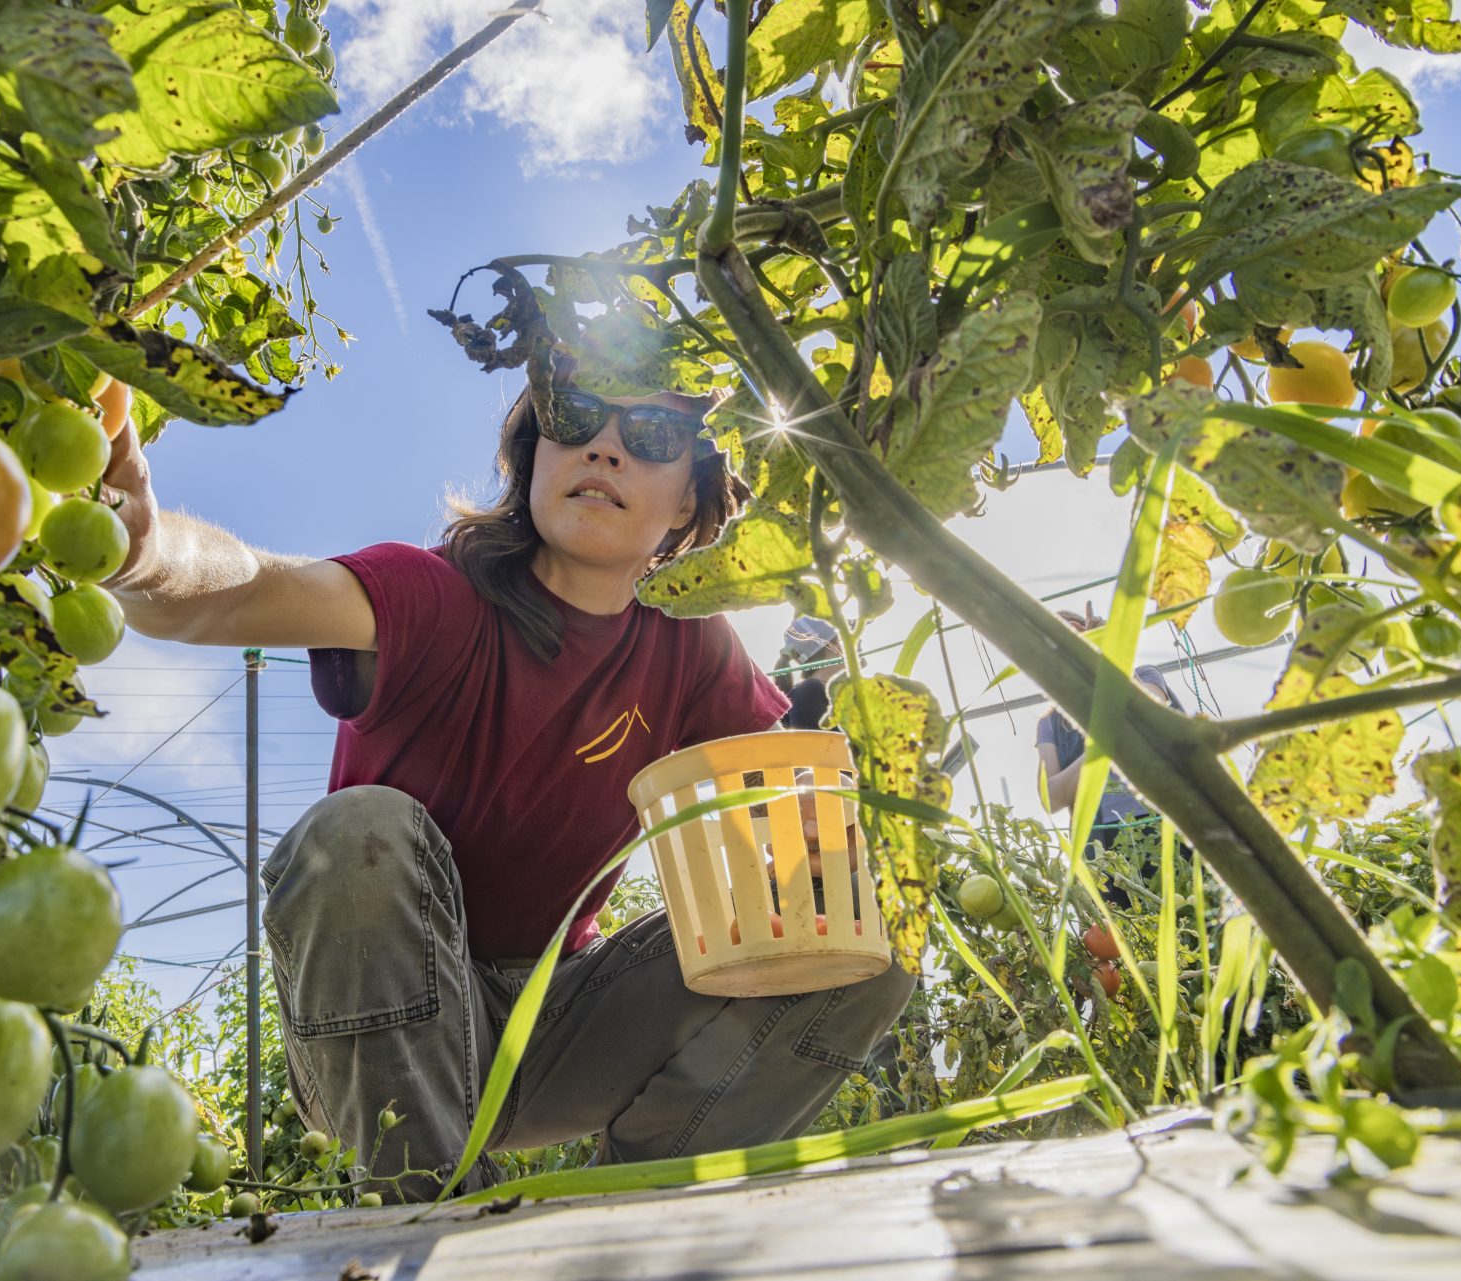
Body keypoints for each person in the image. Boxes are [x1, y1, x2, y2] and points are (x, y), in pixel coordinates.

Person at [101, 373, 916, 1200]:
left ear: (685, 503)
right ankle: (430, 1214)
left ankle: (636, 1214)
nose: (605, 446)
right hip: (374, 1037)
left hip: (553, 1028)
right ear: (534, 456)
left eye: (653, 437)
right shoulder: (436, 596)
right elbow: (239, 588)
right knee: (356, 834)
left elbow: (783, 821)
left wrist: (841, 822)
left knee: (861, 927)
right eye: (575, 418)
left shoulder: (690, 642)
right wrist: (147, 552)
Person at [1035, 607, 1184, 906]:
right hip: (1104, 847)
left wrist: (1113, 654)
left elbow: (1153, 710)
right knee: (1126, 937)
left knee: (1190, 909)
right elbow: (1051, 796)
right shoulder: (1052, 722)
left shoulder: (1143, 674)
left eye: (1075, 633)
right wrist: (1104, 743)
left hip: (1167, 824)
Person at [774, 616, 843, 731]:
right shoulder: (810, 690)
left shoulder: (816, 691)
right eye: (844, 639)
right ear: (832, 646)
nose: (855, 644)